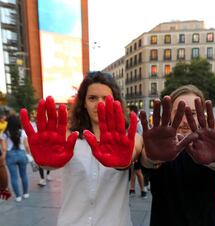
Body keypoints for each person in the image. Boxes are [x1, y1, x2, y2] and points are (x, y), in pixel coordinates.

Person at [20, 71, 142, 226]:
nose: (99, 103)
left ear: (116, 101)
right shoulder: (68, 137)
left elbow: (134, 153)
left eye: (106, 98)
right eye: (92, 98)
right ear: (84, 102)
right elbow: (49, 162)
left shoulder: (129, 139)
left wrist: (123, 160)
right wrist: (44, 161)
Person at [139, 85, 215, 226]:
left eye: (192, 113)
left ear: (201, 115)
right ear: (169, 115)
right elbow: (146, 160)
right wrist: (152, 157)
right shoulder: (157, 143)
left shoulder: (213, 145)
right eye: (179, 112)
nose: (186, 120)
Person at [1, 114, 30, 202]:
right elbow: (26, 146)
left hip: (10, 155)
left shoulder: (5, 134)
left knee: (14, 177)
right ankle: (25, 193)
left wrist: (3, 157)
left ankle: (18, 196)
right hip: (21, 154)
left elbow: (4, 148)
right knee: (24, 175)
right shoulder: (23, 132)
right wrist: (29, 155)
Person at [127, 105, 147, 198]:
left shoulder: (138, 123)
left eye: (128, 111)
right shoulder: (131, 122)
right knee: (133, 170)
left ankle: (143, 190)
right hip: (132, 148)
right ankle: (132, 189)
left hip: (137, 149)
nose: (127, 113)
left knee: (138, 171)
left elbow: (142, 135)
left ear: (132, 112)